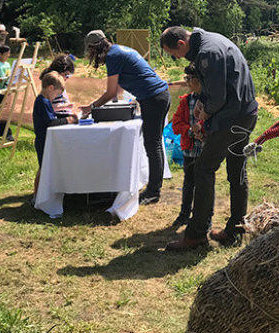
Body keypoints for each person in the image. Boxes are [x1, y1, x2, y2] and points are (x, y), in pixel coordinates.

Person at [160, 26, 258, 251]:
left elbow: (219, 97)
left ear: (182, 43)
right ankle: (234, 231)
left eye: (174, 53)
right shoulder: (213, 39)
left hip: (232, 117)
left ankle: (196, 235)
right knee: (236, 172)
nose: (176, 58)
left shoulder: (207, 53)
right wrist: (204, 103)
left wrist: (205, 113)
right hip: (245, 112)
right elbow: (218, 87)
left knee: (203, 169)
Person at [80, 30, 171, 205]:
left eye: (90, 51)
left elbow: (111, 92)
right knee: (153, 144)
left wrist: (91, 108)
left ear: (96, 48)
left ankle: (153, 192)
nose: (91, 56)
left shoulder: (113, 56)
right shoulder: (119, 51)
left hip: (154, 98)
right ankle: (153, 189)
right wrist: (113, 105)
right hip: (157, 97)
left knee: (153, 145)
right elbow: (118, 90)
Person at [32, 71, 79, 201]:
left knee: (45, 168)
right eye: (57, 93)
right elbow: (50, 123)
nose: (57, 96)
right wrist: (69, 120)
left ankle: (41, 195)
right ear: (51, 88)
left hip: (46, 139)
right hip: (43, 140)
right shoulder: (43, 102)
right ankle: (37, 196)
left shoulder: (44, 101)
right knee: (43, 169)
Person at [170, 65, 205, 227]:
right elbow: (176, 125)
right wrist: (190, 131)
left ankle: (200, 215)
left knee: (203, 183)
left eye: (191, 78)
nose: (188, 82)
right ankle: (184, 213)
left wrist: (203, 130)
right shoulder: (186, 101)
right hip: (190, 150)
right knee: (189, 182)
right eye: (186, 79)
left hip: (206, 149)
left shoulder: (211, 101)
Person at [0, 45, 14, 141]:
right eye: (7, 54)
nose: (8, 55)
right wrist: (7, 78)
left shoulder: (8, 65)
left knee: (5, 111)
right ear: (0, 54)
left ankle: (1, 132)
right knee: (5, 112)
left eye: (9, 53)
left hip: (7, 90)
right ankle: (8, 134)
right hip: (0, 92)